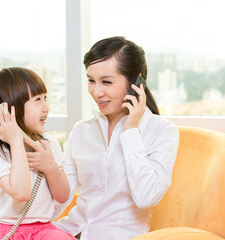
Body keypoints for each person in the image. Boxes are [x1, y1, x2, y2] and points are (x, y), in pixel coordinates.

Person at [53, 36, 180, 240]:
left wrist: (131, 131)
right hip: (69, 232)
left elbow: (147, 198)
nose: (96, 92)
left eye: (106, 82)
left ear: (136, 84)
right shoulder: (82, 130)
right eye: (91, 81)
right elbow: (61, 197)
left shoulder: (162, 131)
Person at [0, 67, 76, 240]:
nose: (46, 107)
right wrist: (15, 141)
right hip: (4, 232)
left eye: (45, 98)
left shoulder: (48, 144)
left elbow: (63, 196)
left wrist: (50, 166)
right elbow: (21, 193)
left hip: (43, 231)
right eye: (37, 100)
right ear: (8, 110)